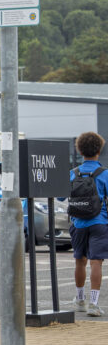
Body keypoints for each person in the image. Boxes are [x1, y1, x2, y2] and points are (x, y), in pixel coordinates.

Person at [70, 131, 108, 317]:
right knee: (96, 262)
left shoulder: (73, 173)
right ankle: (93, 304)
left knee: (80, 260)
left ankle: (80, 300)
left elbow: (61, 196)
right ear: (99, 150)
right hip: (99, 221)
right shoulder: (104, 174)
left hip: (78, 223)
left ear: (80, 151)